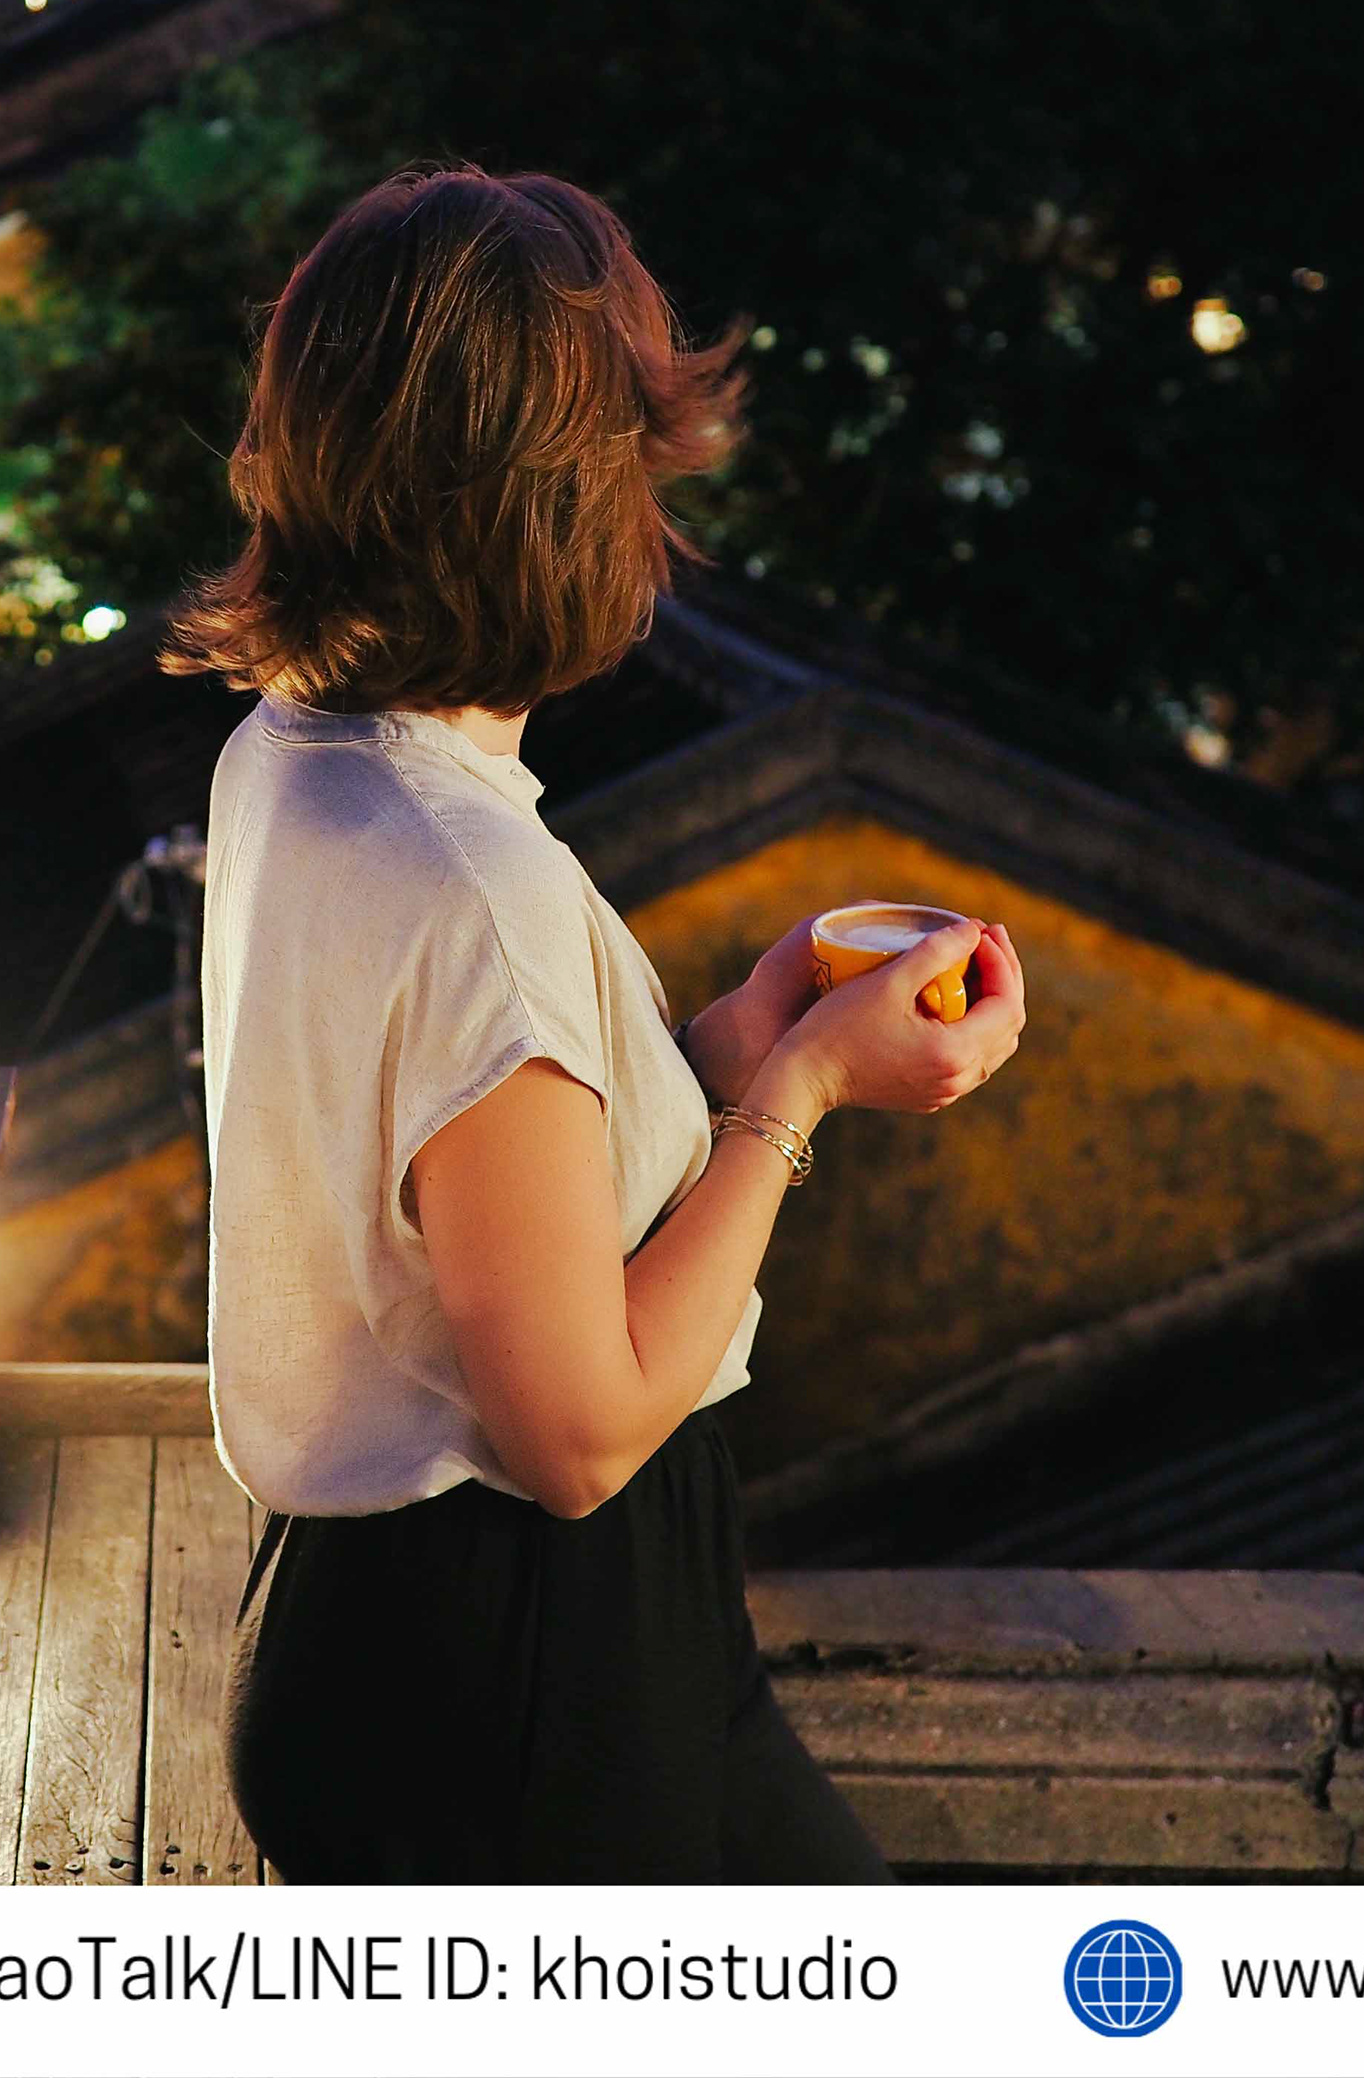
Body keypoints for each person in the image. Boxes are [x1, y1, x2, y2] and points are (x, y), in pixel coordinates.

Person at [187, 168, 1027, 1886]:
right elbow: (575, 1428)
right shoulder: (465, 871)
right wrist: (800, 1092)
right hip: (521, 1679)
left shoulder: (303, 759)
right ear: (559, 503)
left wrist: (722, 1040)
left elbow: (479, 1173)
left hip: (431, 1647)